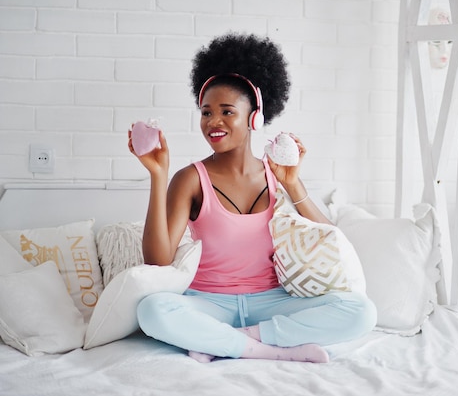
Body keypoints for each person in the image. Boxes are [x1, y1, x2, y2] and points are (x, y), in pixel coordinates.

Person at [128, 33, 376, 363]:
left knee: (361, 311)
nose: (213, 122)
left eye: (226, 111)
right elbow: (158, 261)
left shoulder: (276, 175)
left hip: (272, 302)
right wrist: (158, 176)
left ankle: (233, 342)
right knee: (151, 311)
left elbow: (332, 246)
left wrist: (294, 184)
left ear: (254, 116)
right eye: (206, 113)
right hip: (209, 301)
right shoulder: (190, 179)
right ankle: (272, 351)